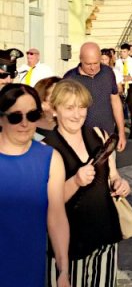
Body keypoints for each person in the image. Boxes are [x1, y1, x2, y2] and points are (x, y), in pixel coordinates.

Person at [44, 80, 130, 286]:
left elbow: (113, 175)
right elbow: (48, 203)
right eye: (69, 108)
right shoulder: (46, 148)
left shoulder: (98, 135)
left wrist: (120, 184)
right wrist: (75, 181)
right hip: (70, 243)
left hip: (105, 234)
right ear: (55, 110)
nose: (77, 114)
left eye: (82, 107)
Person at [0, 84, 70, 287]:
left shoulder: (50, 158)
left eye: (31, 116)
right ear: (1, 119)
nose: (24, 124)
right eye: (15, 117)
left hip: (30, 269)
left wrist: (63, 270)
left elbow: (56, 216)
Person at [64, 42, 127, 151]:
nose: (93, 68)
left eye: (96, 63)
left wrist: (121, 132)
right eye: (88, 64)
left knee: (110, 168)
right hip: (80, 142)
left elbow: (115, 102)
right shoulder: (70, 79)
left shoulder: (108, 73)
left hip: (107, 138)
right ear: (80, 59)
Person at [114, 43, 132, 139]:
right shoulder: (117, 62)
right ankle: (118, 129)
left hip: (131, 85)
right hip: (121, 85)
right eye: (121, 51)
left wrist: (130, 78)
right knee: (119, 107)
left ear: (129, 52)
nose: (122, 53)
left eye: (124, 51)